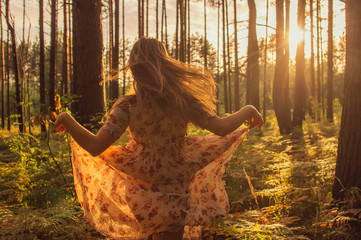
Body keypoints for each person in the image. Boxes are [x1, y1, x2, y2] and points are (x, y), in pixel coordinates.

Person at [55, 37, 263, 240]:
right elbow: (221, 127)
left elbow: (95, 146)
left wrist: (66, 119)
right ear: (165, 63)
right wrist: (249, 109)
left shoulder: (128, 106)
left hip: (141, 187)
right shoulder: (181, 100)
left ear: (134, 69)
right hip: (175, 181)